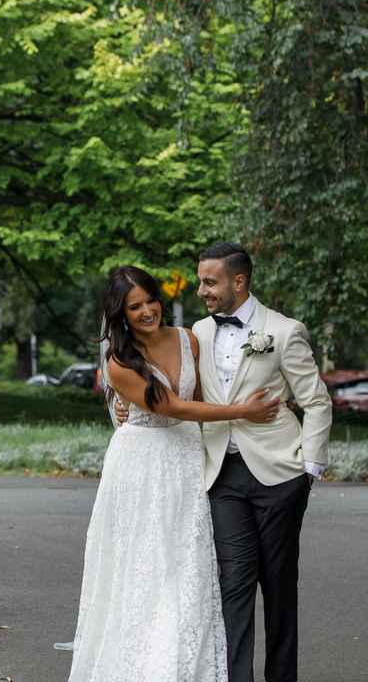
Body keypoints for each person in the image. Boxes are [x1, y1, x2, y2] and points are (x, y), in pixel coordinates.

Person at [115, 244, 332, 682]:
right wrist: (130, 408)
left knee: (278, 586)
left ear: (239, 281)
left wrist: (309, 470)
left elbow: (317, 401)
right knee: (232, 585)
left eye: (210, 282)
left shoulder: (285, 331)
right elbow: (178, 392)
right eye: (200, 282)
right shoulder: (197, 332)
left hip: (279, 474)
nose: (202, 291)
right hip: (220, 475)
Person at [68, 265, 282, 682]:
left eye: (151, 299)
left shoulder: (187, 339)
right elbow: (173, 407)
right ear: (121, 314)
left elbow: (201, 397)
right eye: (135, 306)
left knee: (187, 566)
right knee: (144, 566)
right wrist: (244, 412)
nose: (147, 311)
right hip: (140, 466)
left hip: (186, 460)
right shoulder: (118, 362)